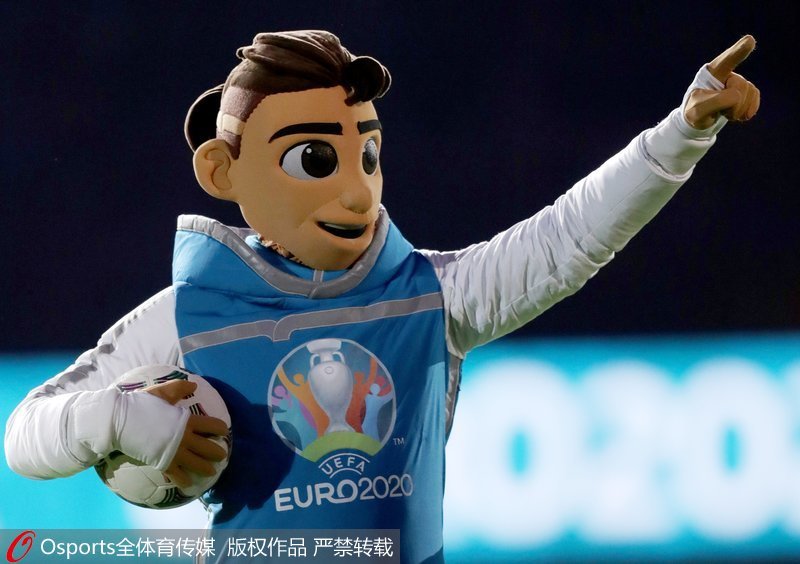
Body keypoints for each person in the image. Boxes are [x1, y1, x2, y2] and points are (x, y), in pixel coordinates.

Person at [4, 30, 760, 563]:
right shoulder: (189, 313)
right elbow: (24, 435)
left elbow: (566, 240)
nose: (357, 189)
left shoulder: (433, 294)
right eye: (315, 158)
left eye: (367, 153)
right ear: (222, 172)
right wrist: (115, 418)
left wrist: (683, 130)